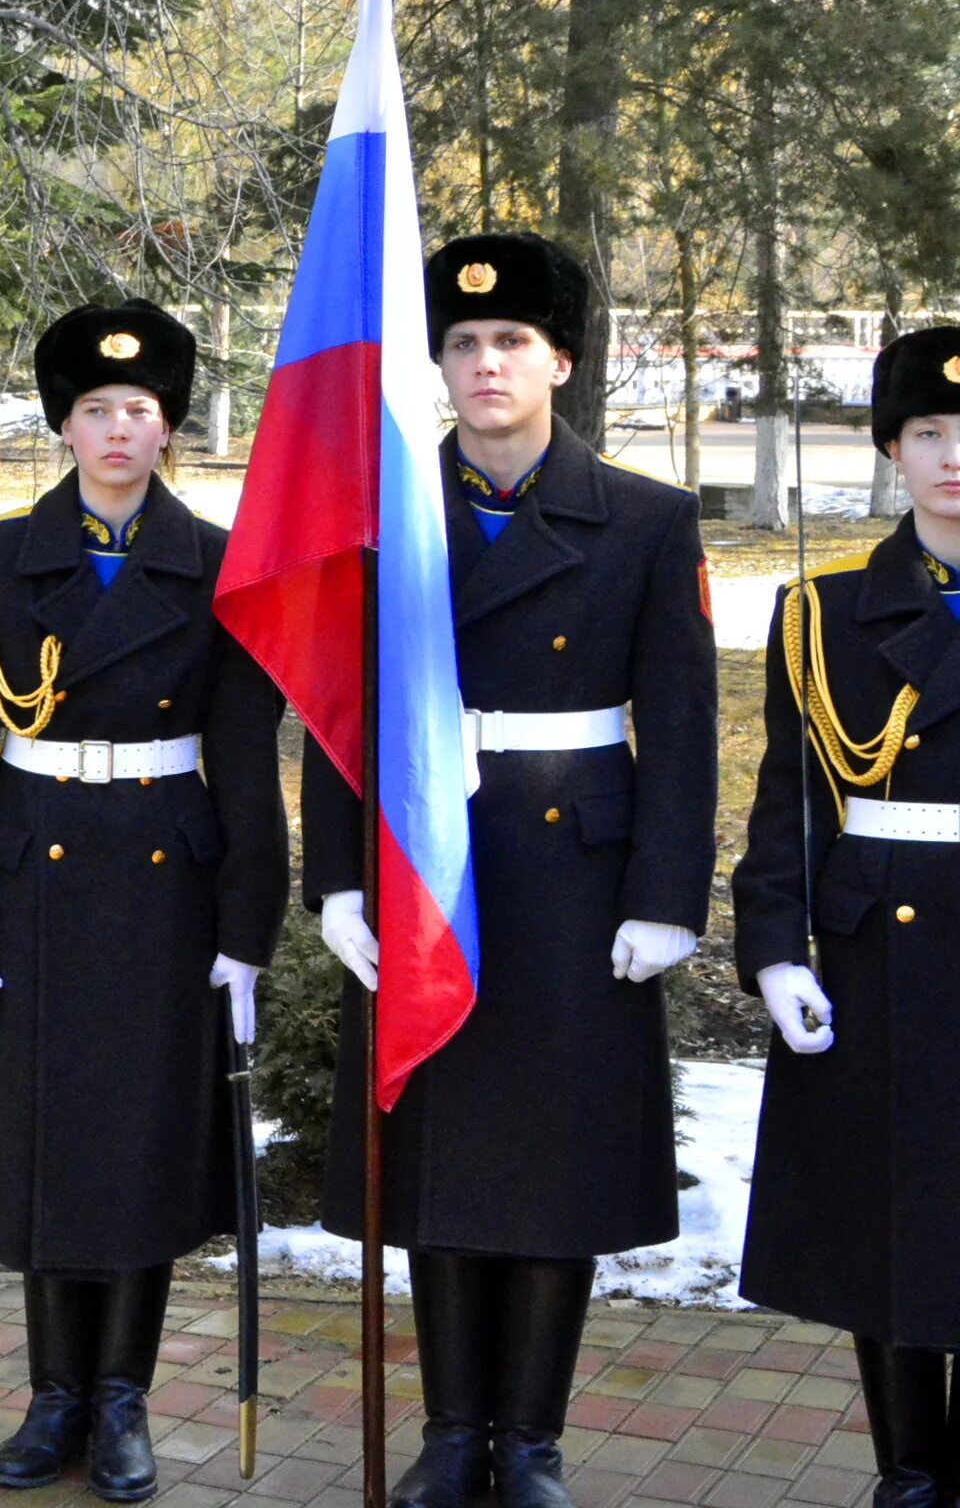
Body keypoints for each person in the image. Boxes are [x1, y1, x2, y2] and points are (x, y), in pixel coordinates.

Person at [305, 233, 716, 1508]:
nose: (486, 364)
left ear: (560, 362)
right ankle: (449, 1428)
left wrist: (664, 896)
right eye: (465, 344)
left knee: (552, 1163)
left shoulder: (644, 518)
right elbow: (342, 712)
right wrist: (335, 879)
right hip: (431, 864)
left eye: (512, 343)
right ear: (438, 363)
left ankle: (529, 1436)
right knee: (437, 1157)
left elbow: (685, 724)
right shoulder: (389, 513)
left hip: (576, 882)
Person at [0, 302, 288, 1501]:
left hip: (162, 887)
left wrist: (246, 930)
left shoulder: (224, 564)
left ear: (168, 426)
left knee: (137, 1151)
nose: (117, 430)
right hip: (30, 886)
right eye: (93, 411)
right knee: (42, 1137)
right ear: (61, 426)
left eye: (138, 410)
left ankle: (120, 1395)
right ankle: (51, 1390)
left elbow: (246, 761)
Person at [734, 325, 960, 1508]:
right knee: (894, 1219)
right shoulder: (821, 612)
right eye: (926, 431)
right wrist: (772, 946)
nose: (951, 455)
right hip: (882, 946)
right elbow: (791, 799)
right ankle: (907, 1468)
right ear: (890, 448)